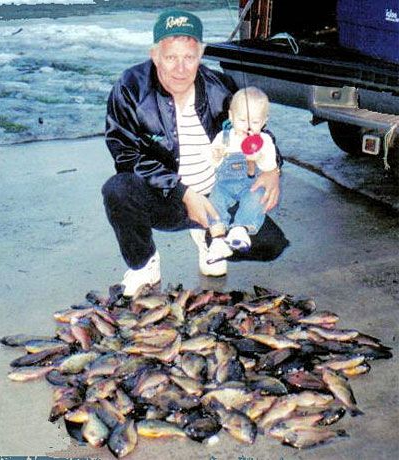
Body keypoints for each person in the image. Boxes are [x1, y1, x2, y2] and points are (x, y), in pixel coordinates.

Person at [102, 9, 282, 297]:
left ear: (201, 54)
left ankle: (207, 234)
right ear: (155, 54)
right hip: (168, 197)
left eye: (189, 57)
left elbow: (257, 128)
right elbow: (125, 154)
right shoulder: (130, 88)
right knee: (118, 190)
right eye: (171, 57)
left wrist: (274, 170)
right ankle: (144, 263)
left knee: (269, 245)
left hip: (219, 195)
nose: (180, 68)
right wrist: (184, 193)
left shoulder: (220, 88)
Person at [205, 86, 279, 264]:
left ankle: (240, 228)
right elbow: (212, 164)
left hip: (250, 184)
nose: (247, 126)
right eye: (242, 120)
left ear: (264, 121)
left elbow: (270, 168)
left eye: (254, 122)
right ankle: (218, 240)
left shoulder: (265, 141)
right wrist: (215, 155)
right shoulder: (223, 137)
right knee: (214, 202)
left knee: (257, 198)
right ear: (231, 117)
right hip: (224, 185)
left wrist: (259, 156)